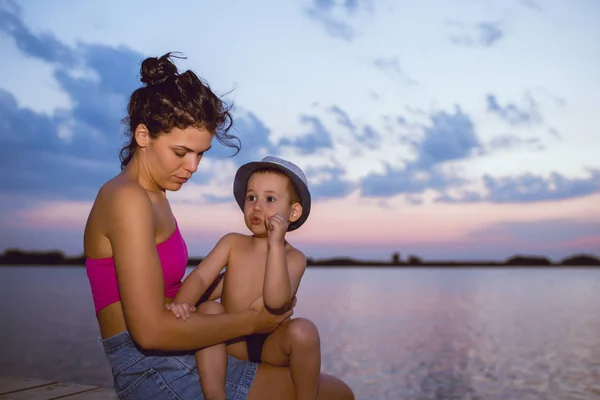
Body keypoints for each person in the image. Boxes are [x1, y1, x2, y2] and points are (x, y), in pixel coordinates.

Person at [83, 51, 355, 400]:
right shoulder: (127, 199)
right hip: (154, 368)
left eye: (201, 154)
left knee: (332, 388)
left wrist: (240, 280)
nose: (193, 166)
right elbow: (149, 332)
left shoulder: (154, 196)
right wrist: (252, 323)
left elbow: (169, 293)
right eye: (182, 152)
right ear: (143, 136)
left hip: (188, 346)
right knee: (336, 396)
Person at [167, 156, 319, 400]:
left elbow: (276, 301)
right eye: (251, 198)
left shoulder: (294, 257)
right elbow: (201, 278)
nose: (257, 206)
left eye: (269, 199)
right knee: (208, 308)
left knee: (305, 331)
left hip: (271, 344)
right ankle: (216, 395)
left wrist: (276, 245)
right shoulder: (233, 243)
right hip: (230, 339)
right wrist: (181, 303)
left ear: (293, 212)